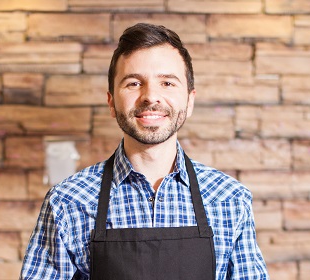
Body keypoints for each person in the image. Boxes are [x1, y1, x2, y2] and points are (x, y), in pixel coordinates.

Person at [20, 23, 269, 280]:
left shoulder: (229, 199)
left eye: (167, 83)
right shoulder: (68, 202)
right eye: (134, 83)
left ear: (190, 100)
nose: (151, 96)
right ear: (111, 102)